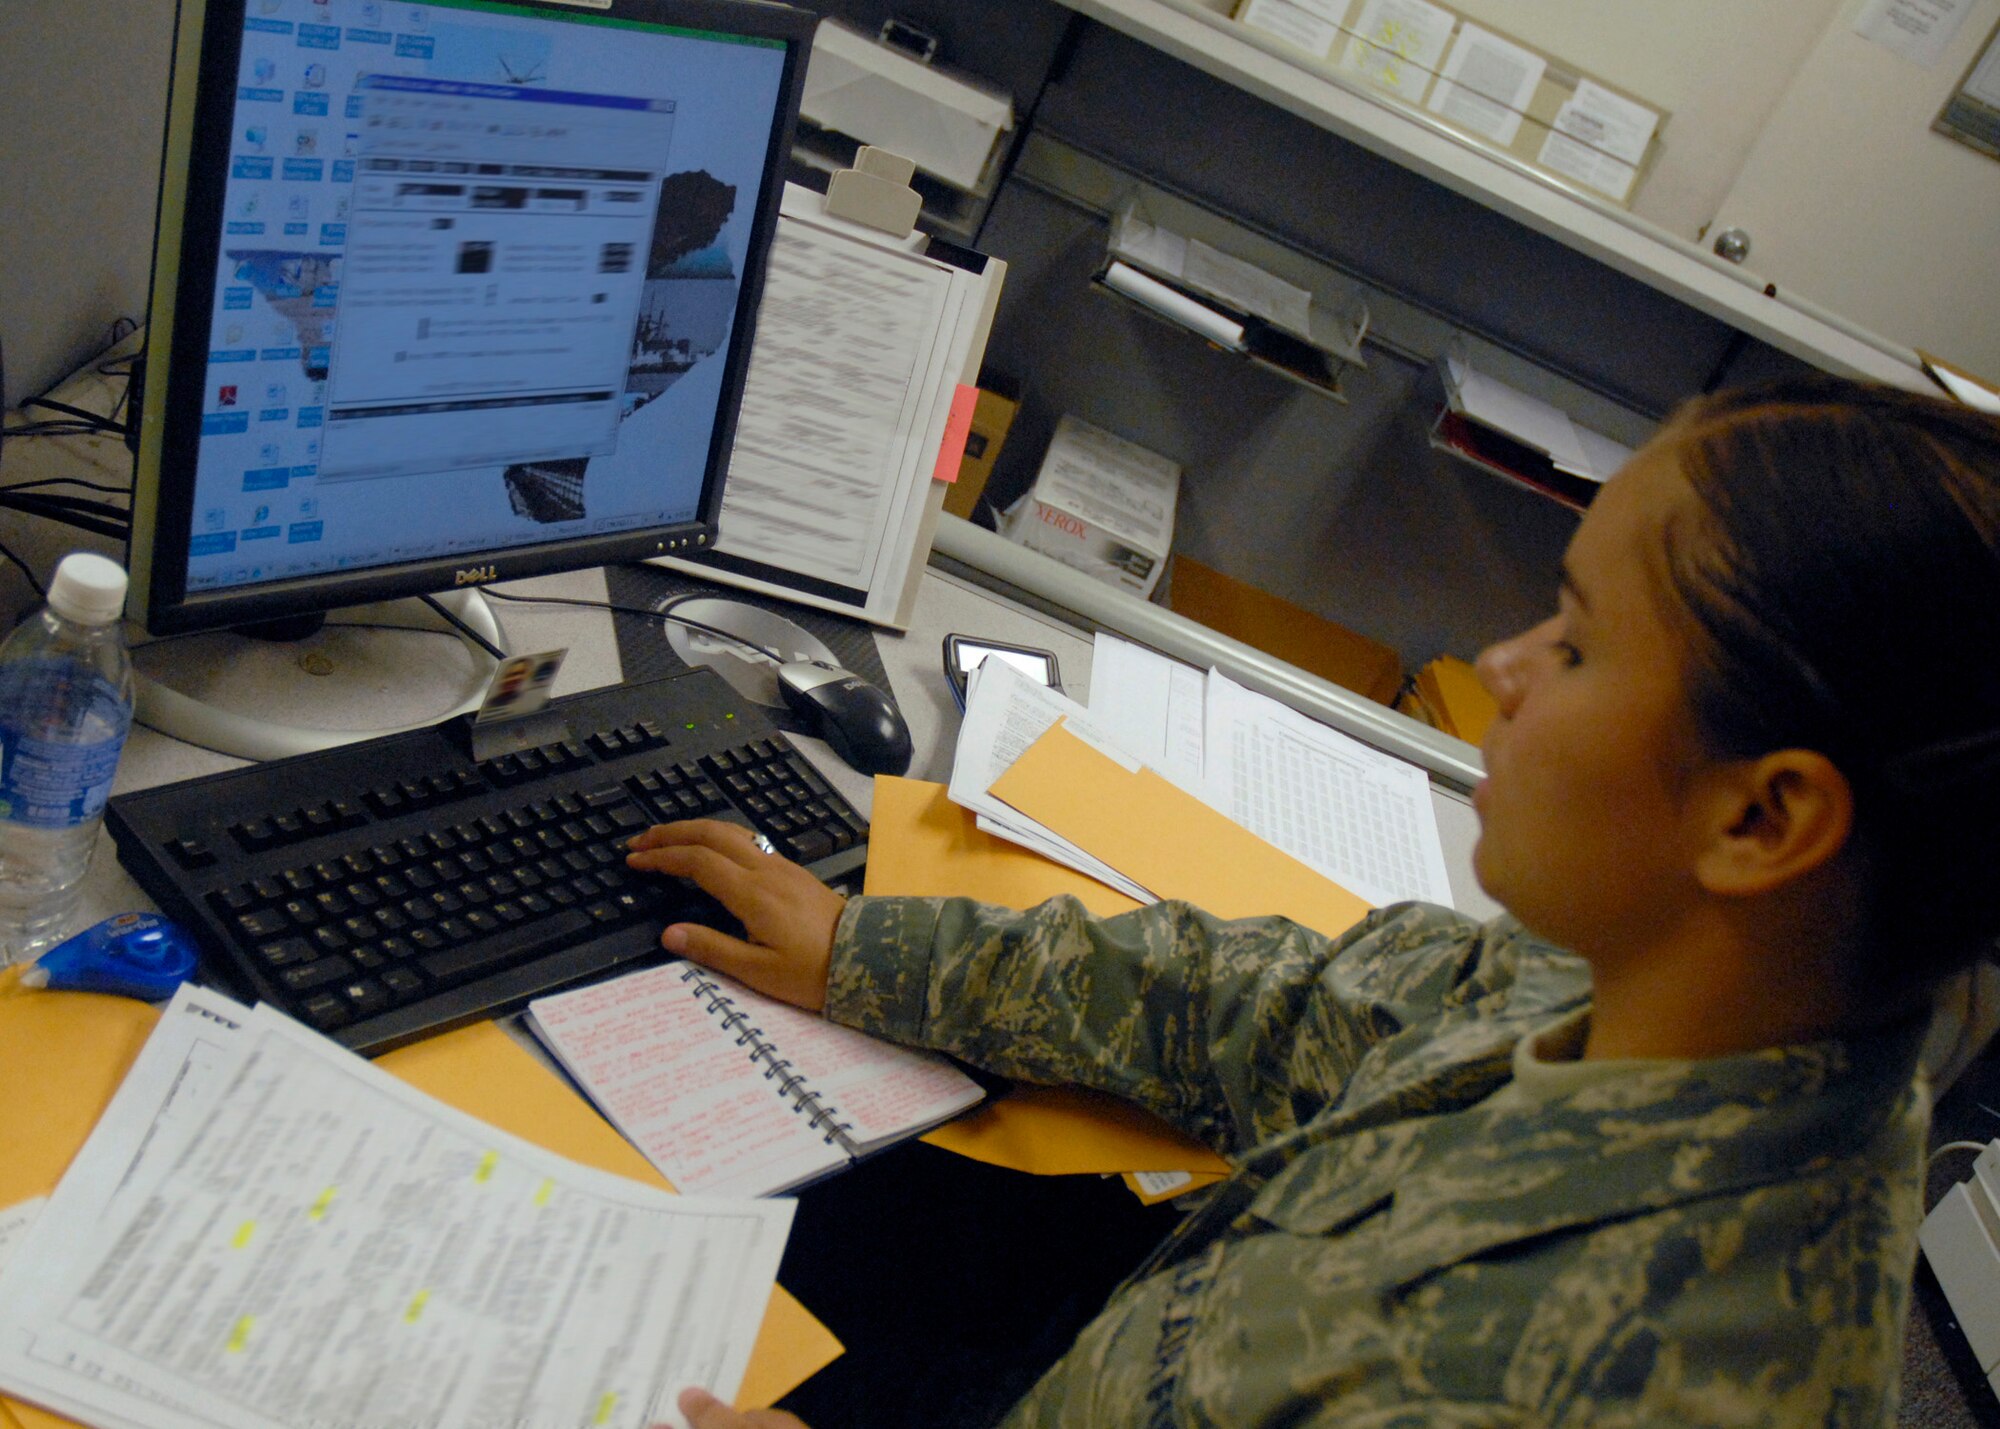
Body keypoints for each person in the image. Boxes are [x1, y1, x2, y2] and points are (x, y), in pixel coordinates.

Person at [631, 376, 2000, 1427]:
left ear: (1763, 820)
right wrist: (875, 948)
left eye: (1575, 641)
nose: (1500, 663)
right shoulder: (1686, 990)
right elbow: (1278, 1007)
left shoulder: (1566, 1380)